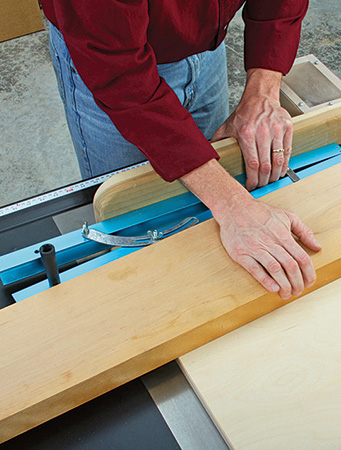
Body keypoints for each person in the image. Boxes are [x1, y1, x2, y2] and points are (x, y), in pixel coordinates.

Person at [39, 0, 321, 299]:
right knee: (134, 234)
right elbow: (121, 76)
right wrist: (234, 205)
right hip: (110, 61)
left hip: (207, 45)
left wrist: (262, 91)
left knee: (206, 201)